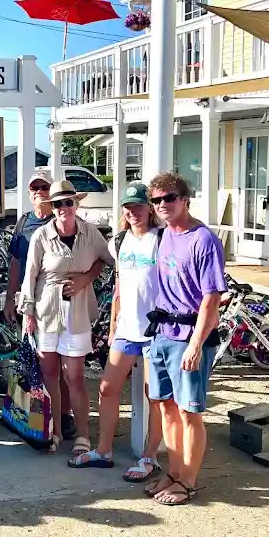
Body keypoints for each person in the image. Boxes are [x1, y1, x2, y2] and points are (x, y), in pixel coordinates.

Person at [69, 183, 164, 478]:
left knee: (154, 395)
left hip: (156, 330)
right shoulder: (119, 241)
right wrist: (113, 325)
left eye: (139, 205)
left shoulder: (162, 238)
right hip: (126, 329)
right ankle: (104, 450)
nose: (133, 211)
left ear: (149, 207)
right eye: (128, 206)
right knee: (107, 388)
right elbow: (119, 286)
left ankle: (149, 457)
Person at [144, 172, 226, 506]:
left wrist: (195, 344)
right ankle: (174, 472)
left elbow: (211, 298)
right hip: (162, 333)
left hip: (190, 336)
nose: (162, 204)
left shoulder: (203, 240)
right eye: (156, 200)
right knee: (166, 407)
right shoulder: (165, 235)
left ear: (185, 200)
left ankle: (188, 481)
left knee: (189, 411)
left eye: (169, 197)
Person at [20, 179, 112, 456]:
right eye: (58, 203)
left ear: (76, 204)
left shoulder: (90, 233)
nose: (63, 208)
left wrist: (87, 277)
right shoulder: (41, 236)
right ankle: (55, 431)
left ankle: (83, 434)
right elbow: (30, 274)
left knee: (75, 377)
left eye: (68, 202)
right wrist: (27, 313)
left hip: (78, 313)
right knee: (49, 375)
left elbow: (108, 258)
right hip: (46, 312)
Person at [4, 169, 76, 442]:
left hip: (57, 303)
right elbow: (15, 263)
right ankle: (39, 416)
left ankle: (64, 415)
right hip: (30, 304)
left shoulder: (63, 220)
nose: (39, 192)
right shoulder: (23, 222)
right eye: (35, 188)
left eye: (44, 187)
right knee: (35, 362)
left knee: (62, 366)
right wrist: (11, 298)